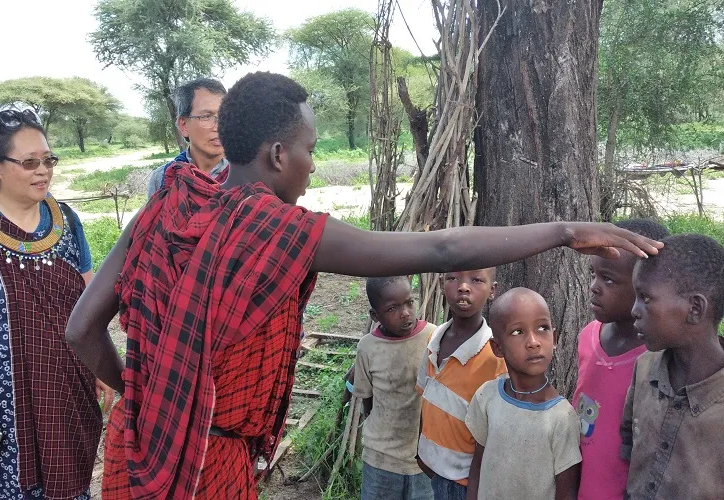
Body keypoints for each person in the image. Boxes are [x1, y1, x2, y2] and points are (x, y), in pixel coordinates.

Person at [64, 71, 661, 500]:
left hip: (137, 446)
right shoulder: (280, 231)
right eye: (309, 150)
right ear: (277, 154)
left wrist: (155, 396)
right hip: (209, 466)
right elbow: (441, 248)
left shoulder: (164, 207)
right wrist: (562, 230)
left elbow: (81, 329)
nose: (313, 164)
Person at [0, 109, 114, 499]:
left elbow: (90, 302)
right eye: (29, 162)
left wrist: (102, 364)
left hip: (66, 393)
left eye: (48, 160)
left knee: (71, 488)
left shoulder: (66, 221)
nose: (43, 171)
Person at [621, 234, 724, 500]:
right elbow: (629, 440)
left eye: (645, 298)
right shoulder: (645, 368)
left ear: (695, 309)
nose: (634, 311)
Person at [573, 219, 670, 500]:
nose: (594, 287)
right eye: (593, 275)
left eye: (608, 279)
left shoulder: (656, 359)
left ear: (644, 286)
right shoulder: (589, 336)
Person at [465, 288, 582, 500]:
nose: (534, 342)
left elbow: (567, 493)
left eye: (543, 328)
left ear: (554, 338)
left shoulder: (562, 418)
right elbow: (478, 468)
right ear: (497, 348)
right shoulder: (488, 397)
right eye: (518, 332)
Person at [415, 269, 504, 499]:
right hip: (433, 469)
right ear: (443, 284)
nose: (463, 287)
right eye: (453, 278)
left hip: (465, 482)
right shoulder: (433, 340)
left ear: (492, 290)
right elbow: (425, 398)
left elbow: (495, 433)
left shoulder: (495, 356)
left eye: (476, 280)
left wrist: (473, 487)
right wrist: (420, 450)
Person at [353, 276, 437, 500]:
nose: (406, 313)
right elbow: (367, 400)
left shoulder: (434, 338)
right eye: (392, 308)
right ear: (375, 316)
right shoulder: (368, 347)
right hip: (380, 459)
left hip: (425, 460)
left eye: (409, 302)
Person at [146, 77, 229, 197]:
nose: (219, 126)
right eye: (206, 116)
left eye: (224, 116)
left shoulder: (246, 175)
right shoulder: (163, 179)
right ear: (184, 125)